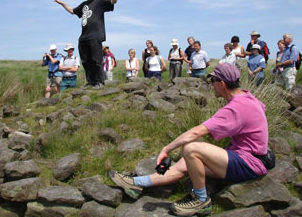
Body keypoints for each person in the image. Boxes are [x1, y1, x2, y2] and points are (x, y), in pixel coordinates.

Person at [109, 63, 269, 216]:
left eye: (213, 81)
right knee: (187, 162)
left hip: (250, 164)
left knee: (191, 149)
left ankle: (200, 200)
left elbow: (195, 132)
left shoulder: (236, 108)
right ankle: (136, 183)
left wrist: (166, 149)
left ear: (222, 84)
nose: (211, 84)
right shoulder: (247, 97)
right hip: (244, 156)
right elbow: (262, 108)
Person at [52, 0, 120, 88]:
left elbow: (112, 2)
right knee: (86, 61)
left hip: (95, 36)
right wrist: (61, 3)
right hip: (83, 37)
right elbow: (72, 11)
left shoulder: (99, 2)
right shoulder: (83, 5)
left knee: (96, 60)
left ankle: (99, 82)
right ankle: (91, 81)